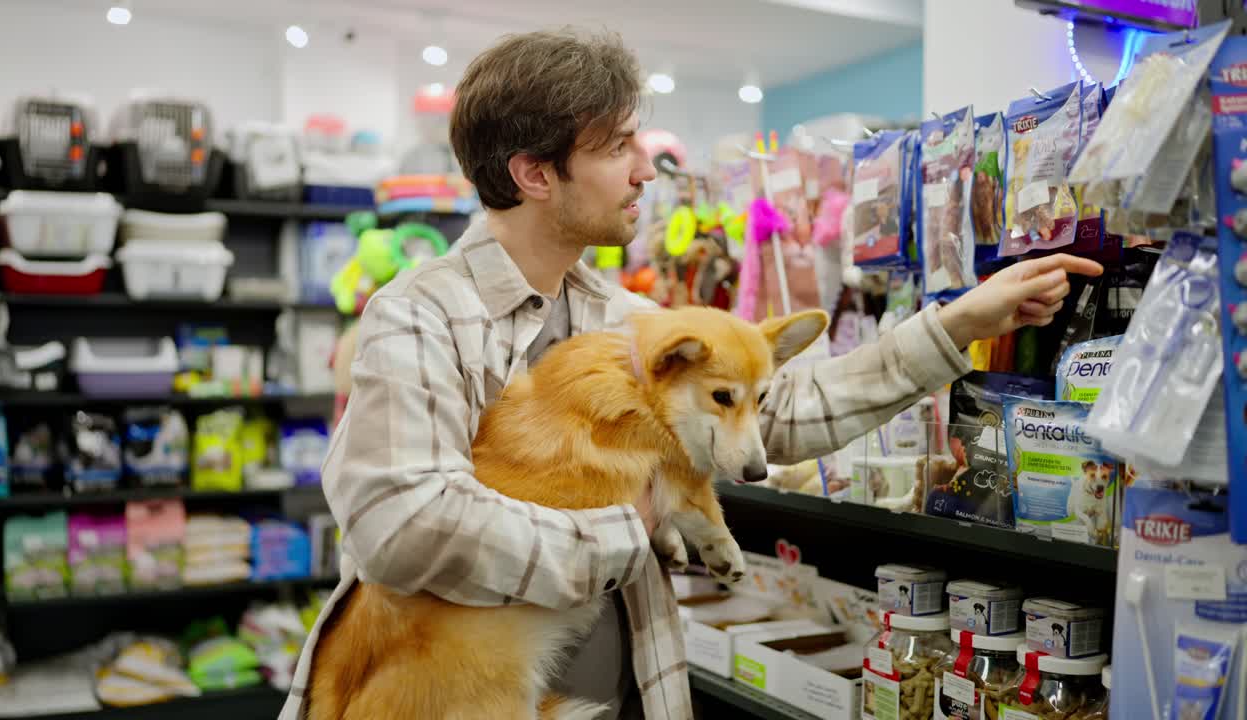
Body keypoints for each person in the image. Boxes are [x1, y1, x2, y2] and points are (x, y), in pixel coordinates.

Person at [280, 29, 1102, 720]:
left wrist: (956, 324)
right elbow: (402, 524)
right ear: (535, 174)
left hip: (621, 688)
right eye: (615, 149)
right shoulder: (420, 315)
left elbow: (768, 416)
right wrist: (621, 530)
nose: (645, 171)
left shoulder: (618, 315)